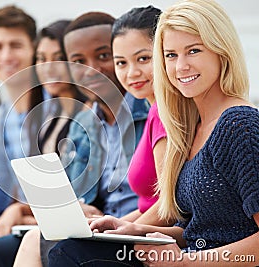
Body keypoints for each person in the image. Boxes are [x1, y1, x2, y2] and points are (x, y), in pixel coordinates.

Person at [50, 0, 259, 266]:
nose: (180, 66)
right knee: (72, 249)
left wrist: (185, 263)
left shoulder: (240, 124)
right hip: (188, 256)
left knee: (72, 254)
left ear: (222, 52)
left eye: (193, 51)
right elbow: (202, 231)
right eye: (171, 55)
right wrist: (134, 229)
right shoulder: (191, 128)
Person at [14, 6, 166, 266]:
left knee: (50, 248)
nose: (92, 70)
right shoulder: (84, 121)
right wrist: (77, 210)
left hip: (137, 229)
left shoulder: (153, 111)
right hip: (109, 223)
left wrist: (121, 226)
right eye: (79, 62)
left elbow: (169, 203)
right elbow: (80, 190)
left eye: (104, 56)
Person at [0, 19, 89, 267]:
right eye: (43, 58)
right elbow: (2, 193)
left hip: (72, 221)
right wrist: (19, 211)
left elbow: (77, 198)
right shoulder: (44, 120)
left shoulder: (81, 116)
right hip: (47, 218)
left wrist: (19, 212)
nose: (50, 67)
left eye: (59, 58)